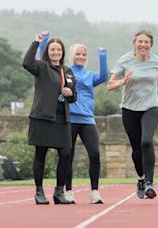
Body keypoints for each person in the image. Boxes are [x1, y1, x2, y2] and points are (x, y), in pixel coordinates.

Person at [106, 29, 158, 199]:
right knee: (136, 148)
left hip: (151, 107)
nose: (143, 45)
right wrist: (122, 81)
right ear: (134, 44)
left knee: (146, 141)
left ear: (151, 45)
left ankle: (149, 182)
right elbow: (109, 86)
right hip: (129, 109)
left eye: (146, 42)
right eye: (140, 42)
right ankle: (140, 178)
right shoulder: (125, 61)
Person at [22, 32, 76, 205]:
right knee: (41, 153)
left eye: (58, 50)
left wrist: (70, 93)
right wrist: (36, 42)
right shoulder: (41, 67)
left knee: (66, 154)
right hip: (43, 117)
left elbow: (74, 97)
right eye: (52, 49)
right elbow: (26, 63)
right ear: (48, 51)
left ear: (62, 52)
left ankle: (59, 192)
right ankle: (39, 192)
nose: (55, 52)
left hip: (62, 118)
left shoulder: (67, 71)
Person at [63, 44, 109, 204]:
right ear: (71, 55)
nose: (81, 57)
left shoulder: (90, 76)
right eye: (78, 54)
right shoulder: (66, 72)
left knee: (95, 154)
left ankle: (95, 192)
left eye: (83, 54)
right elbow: (49, 69)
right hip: (70, 119)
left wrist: (103, 56)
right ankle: (68, 191)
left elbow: (104, 77)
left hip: (87, 119)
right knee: (67, 156)